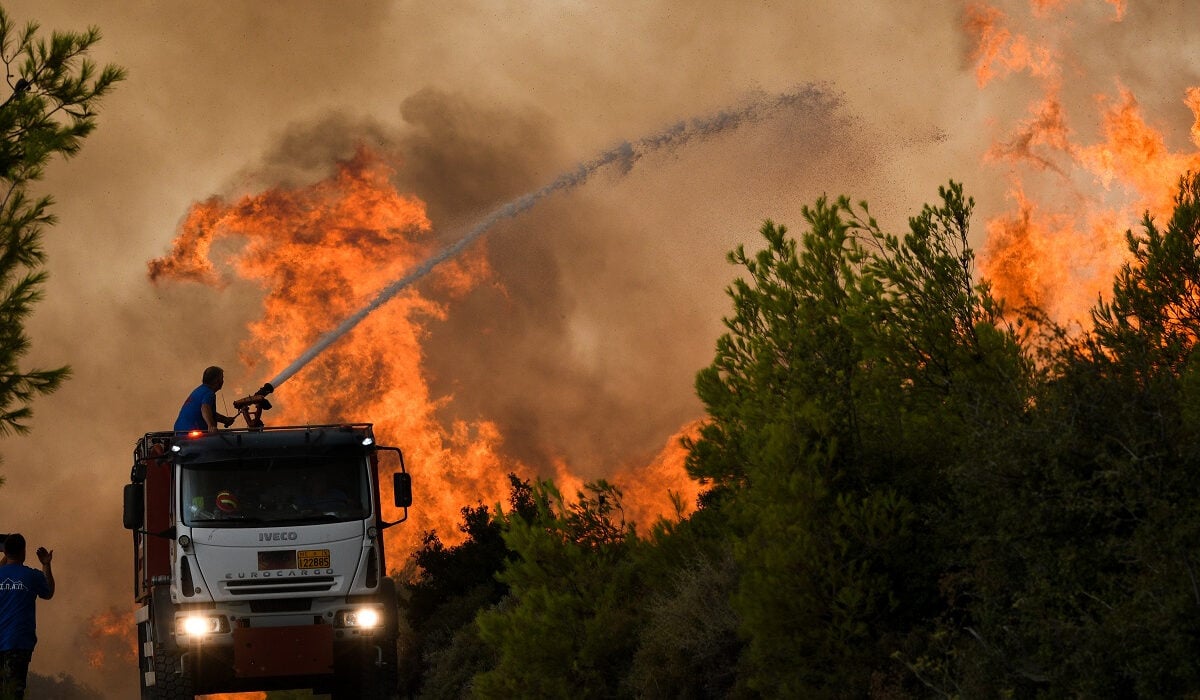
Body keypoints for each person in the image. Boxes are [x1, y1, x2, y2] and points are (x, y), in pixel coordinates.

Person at [0, 534, 54, 699]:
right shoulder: (32, 576)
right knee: (14, 692)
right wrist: (46, 564)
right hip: (18, 643)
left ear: (5, 552)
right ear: (24, 552)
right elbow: (48, 592)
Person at [174, 366, 236, 432]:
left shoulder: (200, 390)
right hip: (191, 433)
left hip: (179, 431)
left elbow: (209, 412)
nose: (223, 381)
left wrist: (225, 420)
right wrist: (211, 426)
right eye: (221, 378)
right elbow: (205, 408)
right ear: (216, 380)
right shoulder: (209, 393)